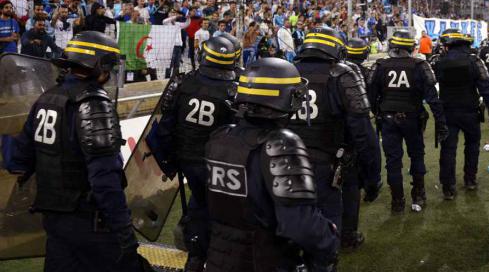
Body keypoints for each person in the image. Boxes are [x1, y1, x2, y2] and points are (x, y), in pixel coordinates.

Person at [6, 32, 150, 271]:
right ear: (100, 65)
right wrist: (124, 233)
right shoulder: (93, 104)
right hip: (89, 224)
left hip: (53, 221)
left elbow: (18, 161)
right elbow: (105, 182)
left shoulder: (47, 98)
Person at [204, 58, 339, 271]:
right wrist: (328, 239)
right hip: (265, 260)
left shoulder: (219, 138)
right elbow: (300, 226)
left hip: (218, 260)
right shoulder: (281, 144)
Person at [152, 36, 239, 271]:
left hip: (187, 159)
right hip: (218, 163)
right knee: (220, 210)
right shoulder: (234, 89)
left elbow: (165, 125)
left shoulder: (184, 82)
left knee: (200, 203)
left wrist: (171, 159)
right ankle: (208, 254)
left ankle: (195, 253)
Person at [290, 27, 377, 247]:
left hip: (288, 155)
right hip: (329, 158)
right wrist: (372, 174)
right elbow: (362, 128)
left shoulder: (286, 72)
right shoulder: (343, 74)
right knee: (330, 221)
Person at [368, 29, 448, 213]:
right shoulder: (420, 65)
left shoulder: (380, 65)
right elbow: (433, 98)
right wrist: (440, 122)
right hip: (413, 118)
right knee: (417, 156)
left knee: (393, 161)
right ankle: (418, 194)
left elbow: (371, 97)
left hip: (388, 119)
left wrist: (379, 113)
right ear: (412, 46)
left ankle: (397, 201)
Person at [433, 29, 489, 198]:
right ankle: (470, 180)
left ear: (447, 45)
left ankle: (448, 187)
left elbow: (428, 87)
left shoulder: (437, 61)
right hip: (470, 111)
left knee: (448, 150)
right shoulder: (474, 61)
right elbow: (486, 89)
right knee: (472, 147)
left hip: (447, 112)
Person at [341, 38, 383, 249]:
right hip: (352, 132)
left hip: (321, 139)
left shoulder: (326, 73)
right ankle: (347, 234)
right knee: (350, 183)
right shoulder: (356, 75)